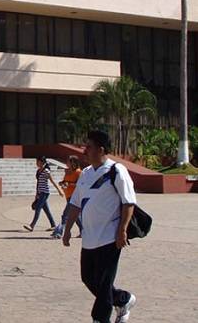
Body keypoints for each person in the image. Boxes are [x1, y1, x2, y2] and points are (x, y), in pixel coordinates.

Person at [63, 131, 137, 323]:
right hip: (89, 238)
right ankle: (123, 299)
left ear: (101, 149)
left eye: (89, 146)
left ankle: (100, 319)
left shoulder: (116, 171)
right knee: (88, 278)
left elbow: (129, 202)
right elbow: (75, 203)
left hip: (110, 237)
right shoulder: (86, 174)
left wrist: (122, 230)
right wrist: (68, 228)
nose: (84, 150)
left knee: (104, 284)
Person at [23, 156, 64, 232]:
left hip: (45, 192)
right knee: (46, 210)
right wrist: (36, 194)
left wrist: (59, 190)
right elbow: (38, 183)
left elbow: (52, 181)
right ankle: (53, 225)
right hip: (40, 192)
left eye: (37, 162)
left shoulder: (46, 171)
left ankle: (32, 225)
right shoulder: (38, 171)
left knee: (38, 208)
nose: (36, 163)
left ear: (41, 162)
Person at [52, 155, 83, 239]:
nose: (67, 163)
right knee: (76, 216)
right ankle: (84, 231)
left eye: (68, 161)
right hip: (68, 195)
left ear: (73, 162)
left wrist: (68, 184)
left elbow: (79, 184)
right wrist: (62, 183)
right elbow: (65, 181)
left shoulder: (78, 172)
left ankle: (58, 232)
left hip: (75, 196)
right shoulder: (68, 171)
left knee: (65, 215)